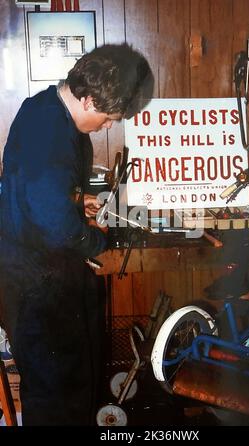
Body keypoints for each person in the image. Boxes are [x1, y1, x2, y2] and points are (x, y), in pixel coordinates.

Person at [0, 43, 154, 426]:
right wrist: (97, 241)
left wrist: (73, 198)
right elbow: (53, 224)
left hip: (32, 275)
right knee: (62, 396)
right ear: (88, 99)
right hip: (39, 284)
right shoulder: (53, 131)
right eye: (107, 119)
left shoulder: (40, 108)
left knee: (63, 389)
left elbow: (30, 188)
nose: (106, 127)